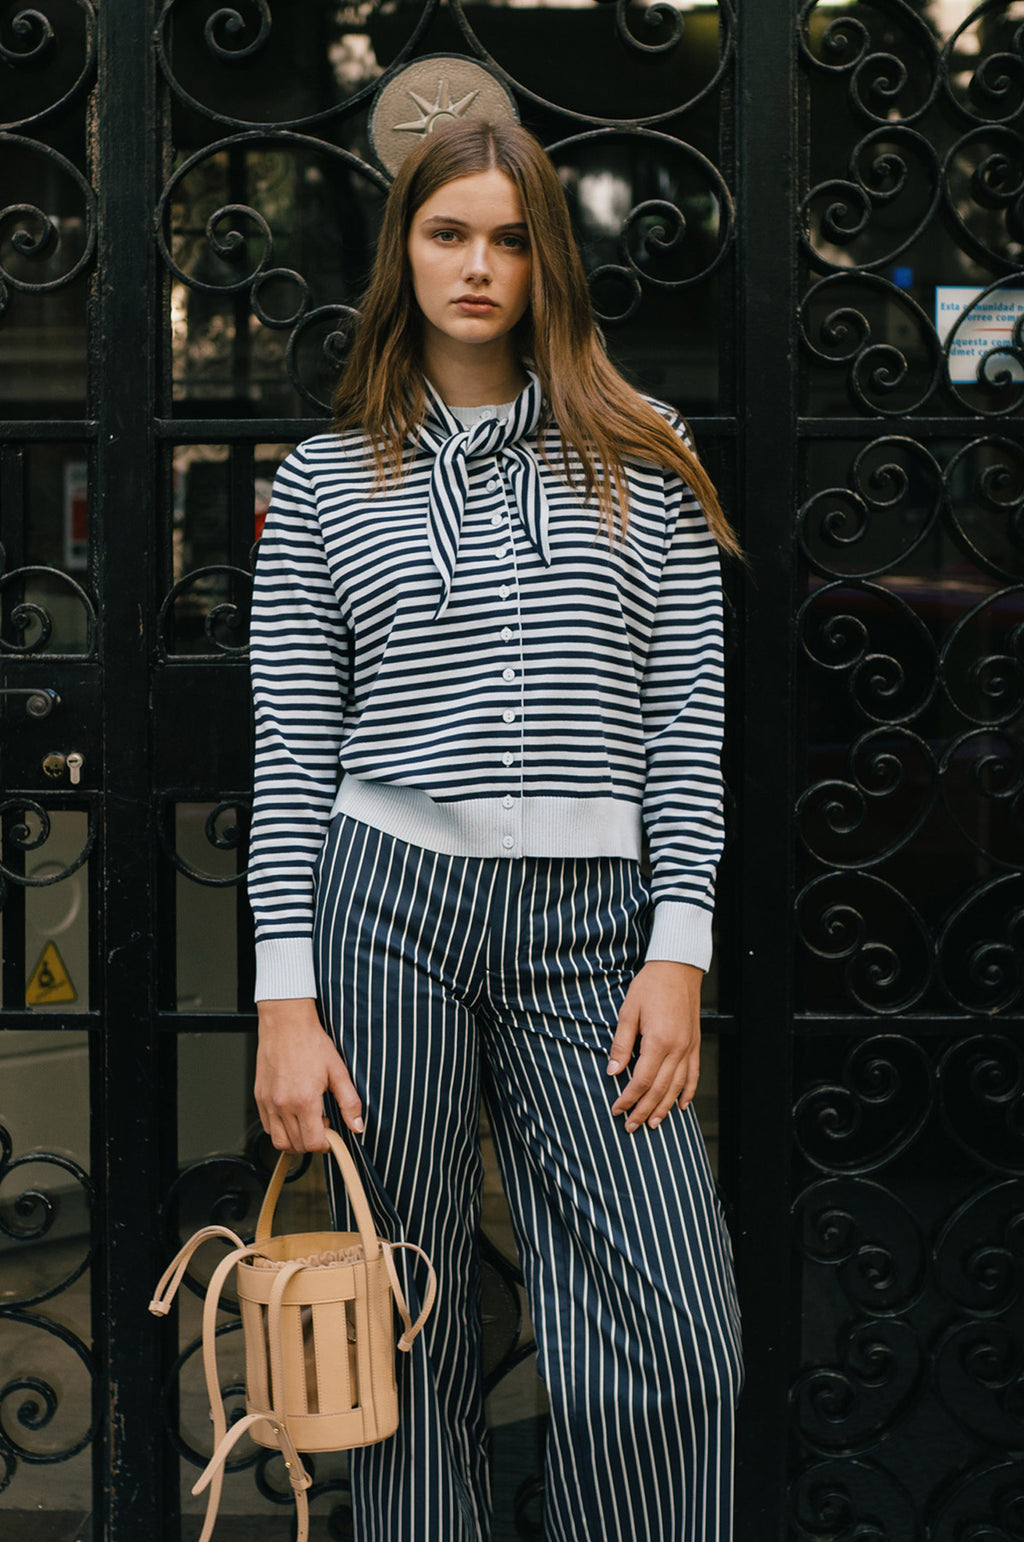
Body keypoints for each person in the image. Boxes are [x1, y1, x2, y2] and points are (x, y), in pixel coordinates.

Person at [247, 118, 743, 1542]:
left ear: (549, 262)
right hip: (384, 904)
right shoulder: (328, 484)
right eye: (449, 233)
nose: (480, 265)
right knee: (411, 1320)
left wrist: (681, 951)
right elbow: (293, 755)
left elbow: (685, 727)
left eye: (512, 238)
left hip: (597, 926)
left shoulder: (646, 458)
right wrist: (287, 999)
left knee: (674, 1333)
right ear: (403, 252)